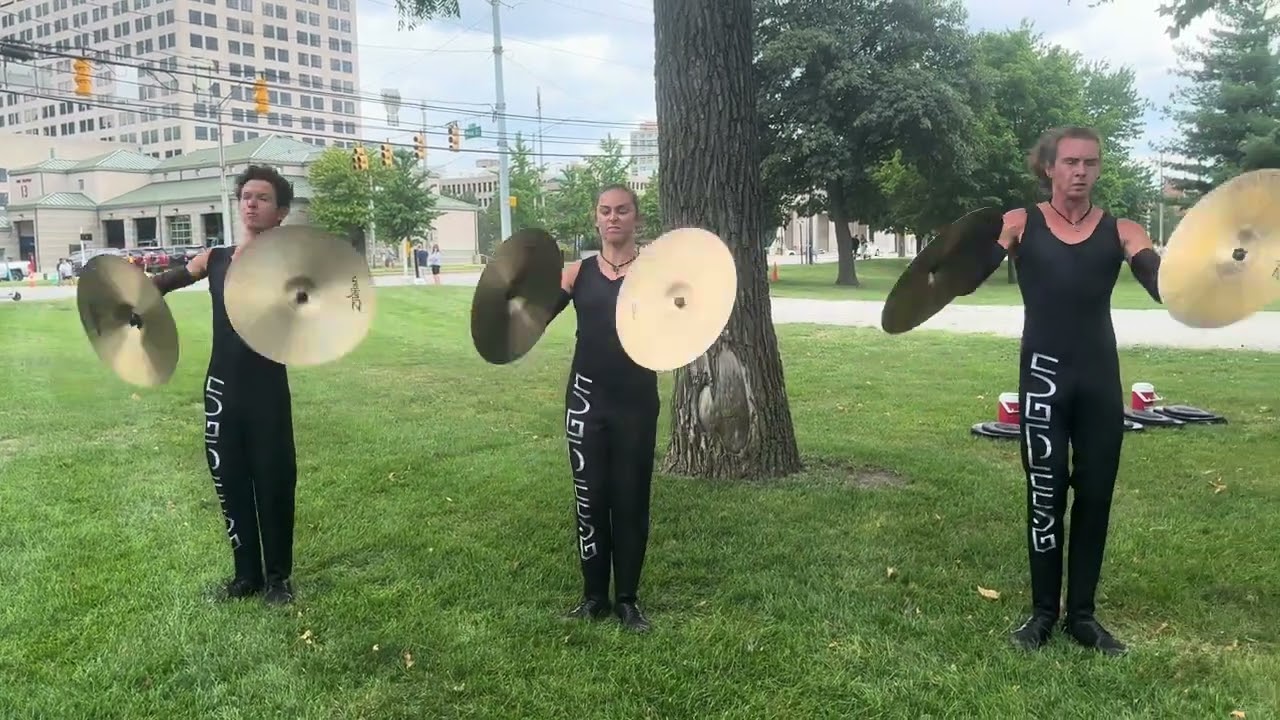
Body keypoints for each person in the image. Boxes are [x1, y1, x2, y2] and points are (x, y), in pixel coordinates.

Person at [961, 126, 1162, 656]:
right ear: (1048, 167)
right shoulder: (1022, 223)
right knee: (1045, 498)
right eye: (1070, 162)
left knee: (1094, 497)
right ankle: (1044, 613)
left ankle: (1083, 617)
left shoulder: (1122, 229)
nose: (1080, 171)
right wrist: (984, 245)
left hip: (1098, 384)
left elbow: (1163, 283)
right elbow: (970, 274)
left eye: (1090, 163)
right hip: (1043, 381)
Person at [148, 165, 301, 606]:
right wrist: (133, 299)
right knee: (229, 480)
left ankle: (278, 580)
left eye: (263, 198)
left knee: (273, 481)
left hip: (267, 389)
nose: (250, 203)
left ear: (281, 212)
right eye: (245, 196)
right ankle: (246, 576)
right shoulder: (215, 258)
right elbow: (162, 285)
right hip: (220, 389)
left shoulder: (292, 265)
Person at [545, 184, 660, 633]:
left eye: (623, 211)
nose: (613, 218)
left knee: (630, 501)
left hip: (636, 401)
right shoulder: (576, 273)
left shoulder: (654, 272)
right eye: (605, 211)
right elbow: (532, 319)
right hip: (585, 401)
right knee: (590, 501)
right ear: (596, 218)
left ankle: (627, 601)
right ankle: (594, 597)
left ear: (636, 217)